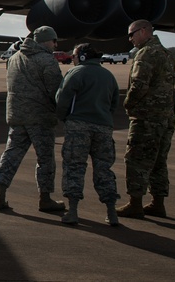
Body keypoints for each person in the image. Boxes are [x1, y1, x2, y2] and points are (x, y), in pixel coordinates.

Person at [0, 26, 65, 213]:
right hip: (40, 117)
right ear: (45, 41)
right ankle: (45, 198)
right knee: (45, 159)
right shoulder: (47, 61)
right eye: (54, 41)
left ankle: (0, 192)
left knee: (11, 154)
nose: (55, 44)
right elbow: (56, 91)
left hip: (17, 115)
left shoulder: (14, 58)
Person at [55, 44, 122, 226]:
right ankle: (111, 212)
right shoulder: (108, 75)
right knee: (104, 169)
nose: (73, 58)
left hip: (78, 126)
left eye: (75, 55)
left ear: (82, 57)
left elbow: (62, 99)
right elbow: (114, 102)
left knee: (74, 167)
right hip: (104, 127)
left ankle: (73, 211)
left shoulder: (76, 73)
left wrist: (65, 118)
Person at [117, 19, 175, 219]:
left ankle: (135, 203)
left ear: (143, 31)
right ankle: (158, 203)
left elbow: (138, 86)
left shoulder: (145, 54)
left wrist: (128, 104)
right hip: (165, 117)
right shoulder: (168, 55)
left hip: (146, 118)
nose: (130, 39)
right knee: (159, 161)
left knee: (136, 160)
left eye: (131, 34)